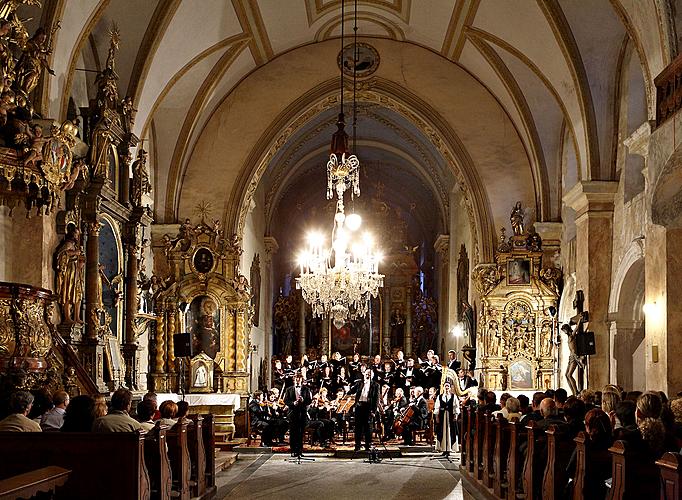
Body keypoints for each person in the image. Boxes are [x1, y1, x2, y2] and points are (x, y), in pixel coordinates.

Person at [350, 366, 381, 451]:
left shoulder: (375, 385)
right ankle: (357, 445)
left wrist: (374, 411)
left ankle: (368, 445)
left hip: (368, 407)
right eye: (366, 374)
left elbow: (376, 399)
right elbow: (351, 392)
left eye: (369, 374)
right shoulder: (359, 383)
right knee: (358, 427)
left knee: (368, 427)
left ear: (372, 376)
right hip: (359, 407)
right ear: (364, 374)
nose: (367, 375)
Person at [283, 372, 312, 457]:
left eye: (299, 380)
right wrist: (293, 403)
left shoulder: (306, 389)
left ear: (302, 381)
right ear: (294, 380)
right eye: (296, 380)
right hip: (292, 413)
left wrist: (303, 400)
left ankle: (299, 451)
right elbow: (286, 401)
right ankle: (293, 450)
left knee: (300, 432)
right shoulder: (289, 389)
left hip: (302, 413)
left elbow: (309, 401)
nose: (297, 382)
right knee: (293, 432)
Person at [434, 382, 457, 456]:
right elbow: (437, 407)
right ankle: (443, 449)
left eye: (448, 386)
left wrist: (455, 416)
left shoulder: (453, 396)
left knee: (450, 432)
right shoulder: (440, 397)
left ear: (450, 388)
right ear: (443, 387)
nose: (447, 388)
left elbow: (455, 407)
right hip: (442, 416)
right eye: (445, 386)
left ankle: (449, 449)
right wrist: (437, 417)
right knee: (442, 432)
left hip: (450, 416)